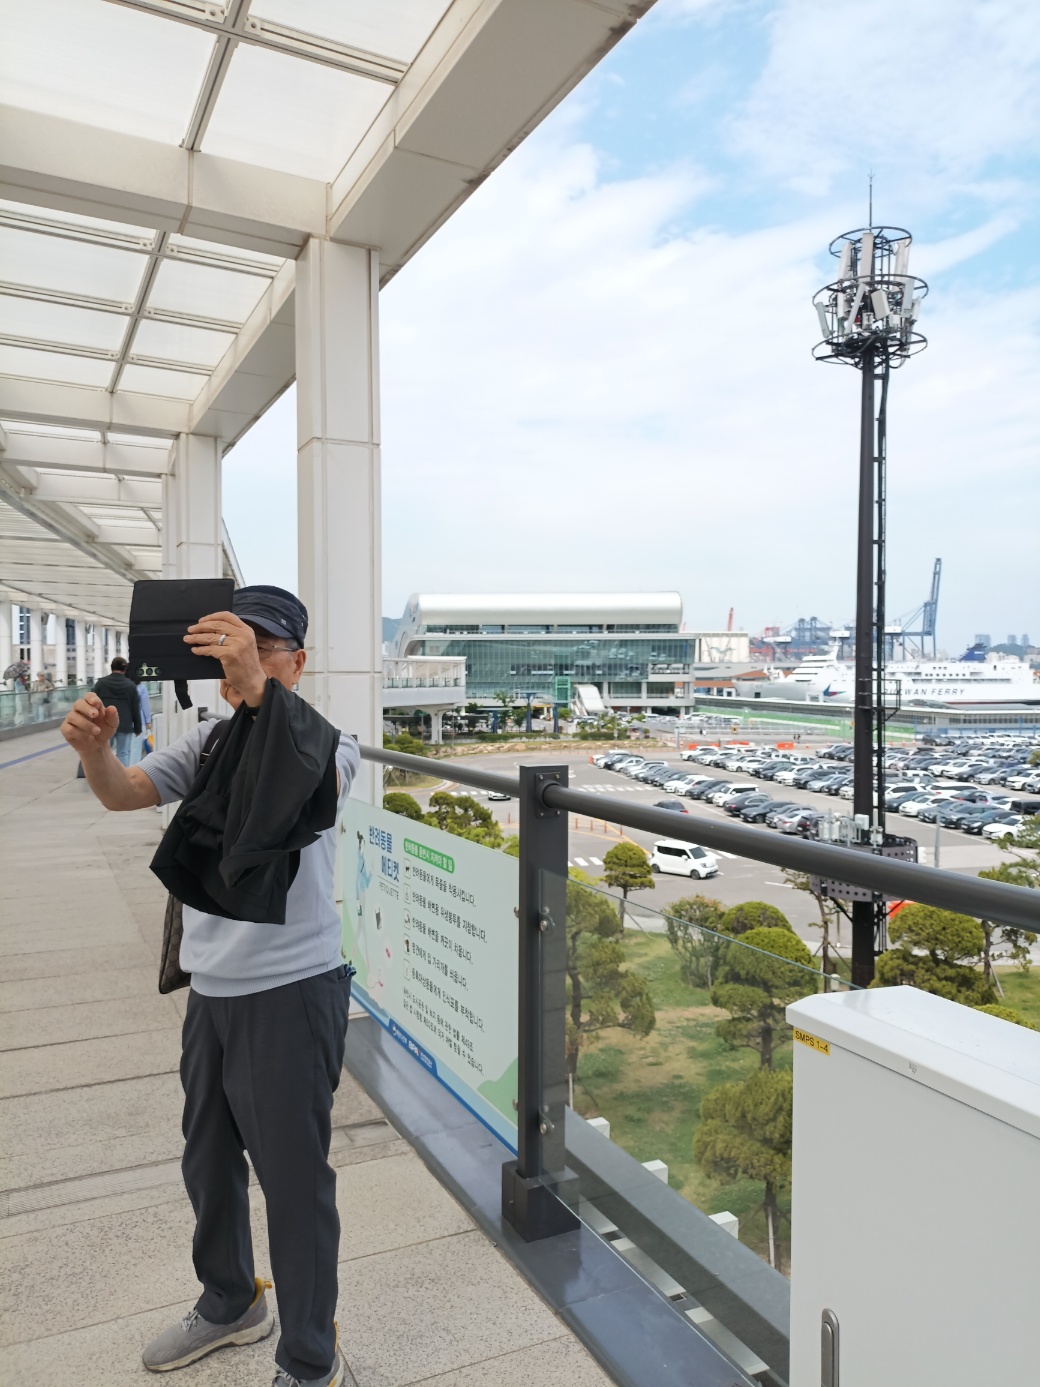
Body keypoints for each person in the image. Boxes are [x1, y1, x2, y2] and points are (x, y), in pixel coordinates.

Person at [60, 586, 360, 1387]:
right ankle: (231, 1300)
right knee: (209, 1160)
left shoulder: (331, 744)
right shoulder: (209, 742)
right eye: (230, 645)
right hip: (213, 991)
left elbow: (311, 786)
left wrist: (257, 689)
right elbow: (126, 791)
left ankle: (310, 1357)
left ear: (297, 662)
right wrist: (95, 750)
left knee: (294, 1181)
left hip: (293, 988)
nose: (241, 659)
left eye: (260, 647)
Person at [91, 656, 141, 765]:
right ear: (125, 669)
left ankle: (105, 773)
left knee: (104, 752)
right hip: (125, 724)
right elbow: (135, 708)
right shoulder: (131, 686)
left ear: (111, 667)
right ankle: (122, 775)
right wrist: (138, 728)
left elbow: (93, 703)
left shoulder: (101, 683)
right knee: (123, 753)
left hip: (105, 723)